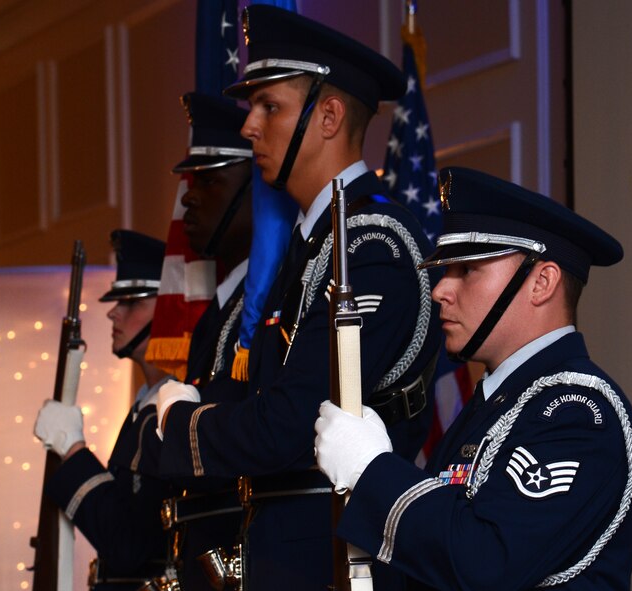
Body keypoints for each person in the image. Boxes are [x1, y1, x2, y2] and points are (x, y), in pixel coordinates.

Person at [156, 5, 442, 589]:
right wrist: (201, 401)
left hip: (334, 557)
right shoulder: (310, 244)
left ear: (328, 116)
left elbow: (292, 421)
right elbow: (264, 392)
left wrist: (181, 422)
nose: (249, 127)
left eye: (270, 107)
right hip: (287, 554)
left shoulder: (372, 246)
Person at [315, 167, 632, 590]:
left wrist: (373, 470)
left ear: (541, 282)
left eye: (467, 269)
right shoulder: (499, 403)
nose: (440, 290)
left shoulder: (577, 413)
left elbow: (487, 564)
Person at [34, 229, 174, 590]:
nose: (114, 312)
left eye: (132, 302)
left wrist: (74, 450)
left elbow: (132, 545)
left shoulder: (171, 413)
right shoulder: (144, 407)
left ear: (170, 308)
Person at [160, 91, 254, 591]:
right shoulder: (222, 308)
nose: (189, 198)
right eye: (191, 181)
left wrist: (171, 424)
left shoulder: (265, 304)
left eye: (211, 181)